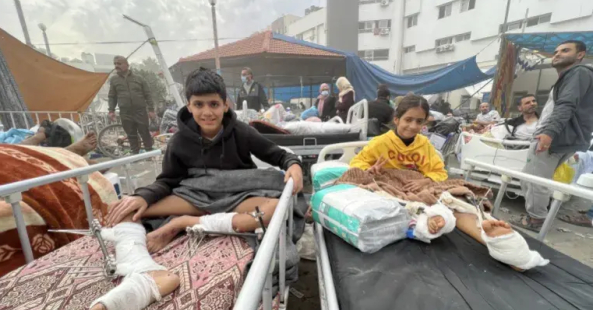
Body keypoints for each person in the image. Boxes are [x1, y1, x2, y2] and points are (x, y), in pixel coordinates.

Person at [106, 67, 304, 252]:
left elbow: (279, 155)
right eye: (199, 104)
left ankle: (182, 223)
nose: (207, 112)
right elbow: (168, 180)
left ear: (226, 105)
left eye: (214, 104)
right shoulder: (178, 141)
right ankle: (137, 260)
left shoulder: (242, 132)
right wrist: (144, 196)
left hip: (239, 196)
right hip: (196, 198)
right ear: (189, 106)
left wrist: (294, 164)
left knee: (276, 210)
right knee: (127, 211)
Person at [514, 40, 593, 232]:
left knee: (536, 180)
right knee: (529, 177)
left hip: (555, 137)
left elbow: (566, 105)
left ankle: (536, 220)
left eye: (565, 50)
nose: (557, 54)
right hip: (561, 136)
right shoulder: (571, 77)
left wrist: (548, 133)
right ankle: (537, 214)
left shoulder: (578, 73)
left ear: (580, 54)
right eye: (556, 51)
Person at [349, 94, 448, 192]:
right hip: (385, 189)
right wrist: (368, 169)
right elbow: (356, 162)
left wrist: (425, 181)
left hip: (415, 191)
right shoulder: (380, 143)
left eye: (419, 121)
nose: (413, 126)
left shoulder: (425, 146)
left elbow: (440, 172)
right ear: (396, 120)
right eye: (408, 120)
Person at [108, 56, 156, 155]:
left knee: (144, 132)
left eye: (119, 63)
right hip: (125, 112)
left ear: (127, 64)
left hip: (140, 110)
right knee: (131, 134)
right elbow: (112, 96)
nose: (116, 66)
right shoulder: (114, 80)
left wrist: (151, 110)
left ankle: (149, 153)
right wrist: (111, 110)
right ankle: (135, 154)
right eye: (115, 64)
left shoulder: (139, 78)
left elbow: (147, 94)